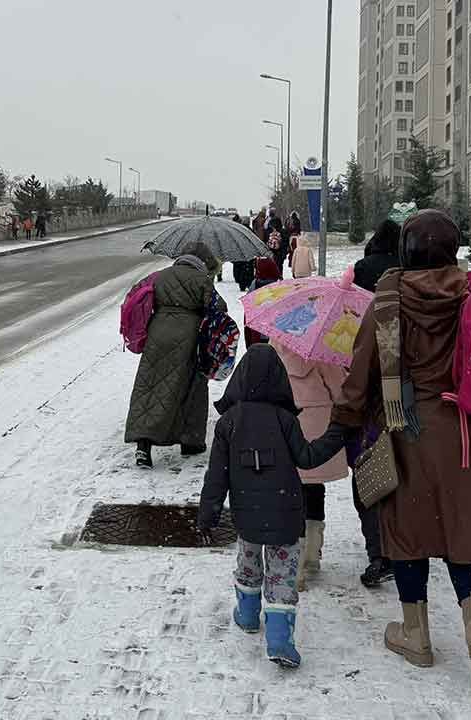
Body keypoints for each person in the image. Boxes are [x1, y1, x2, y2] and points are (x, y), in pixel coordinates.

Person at [302, 209, 471, 687]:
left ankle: (416, 634)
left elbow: (360, 378)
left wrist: (336, 432)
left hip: (405, 429)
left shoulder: (386, 302)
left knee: (409, 530)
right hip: (465, 429)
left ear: (406, 251)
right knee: (465, 528)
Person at [197, 344, 333, 669]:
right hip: (285, 512)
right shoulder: (285, 419)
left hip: (247, 516)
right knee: (282, 574)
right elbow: (307, 458)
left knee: (249, 564)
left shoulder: (229, 422)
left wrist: (208, 516)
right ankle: (279, 639)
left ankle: (246, 615)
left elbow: (217, 476)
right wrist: (336, 435)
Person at [125, 242, 222, 468]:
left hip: (157, 334)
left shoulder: (160, 276)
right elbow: (219, 309)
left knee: (150, 387)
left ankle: (143, 445)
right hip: (189, 337)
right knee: (192, 388)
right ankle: (191, 442)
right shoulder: (202, 280)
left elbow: (138, 294)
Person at [348, 218, 401, 588]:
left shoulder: (363, 271)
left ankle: (379, 552)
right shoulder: (409, 276)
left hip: (369, 381)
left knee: (368, 470)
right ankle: (405, 545)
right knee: (405, 471)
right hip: (408, 384)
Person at [273, 343, 347, 592]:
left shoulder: (276, 342)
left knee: (293, 493)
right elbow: (339, 388)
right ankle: (311, 555)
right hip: (317, 424)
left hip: (286, 422)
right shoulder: (322, 347)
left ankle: (297, 562)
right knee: (314, 489)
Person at [244, 257, 282, 348]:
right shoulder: (280, 287)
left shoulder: (254, 285)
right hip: (275, 335)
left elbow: (247, 314)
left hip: (257, 334)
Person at [266, 208, 288, 278]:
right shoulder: (283, 231)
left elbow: (266, 240)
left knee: (273, 264)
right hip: (280, 252)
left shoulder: (269, 231)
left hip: (272, 251)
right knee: (280, 264)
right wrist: (284, 252)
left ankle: (273, 276)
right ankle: (280, 275)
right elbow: (285, 242)